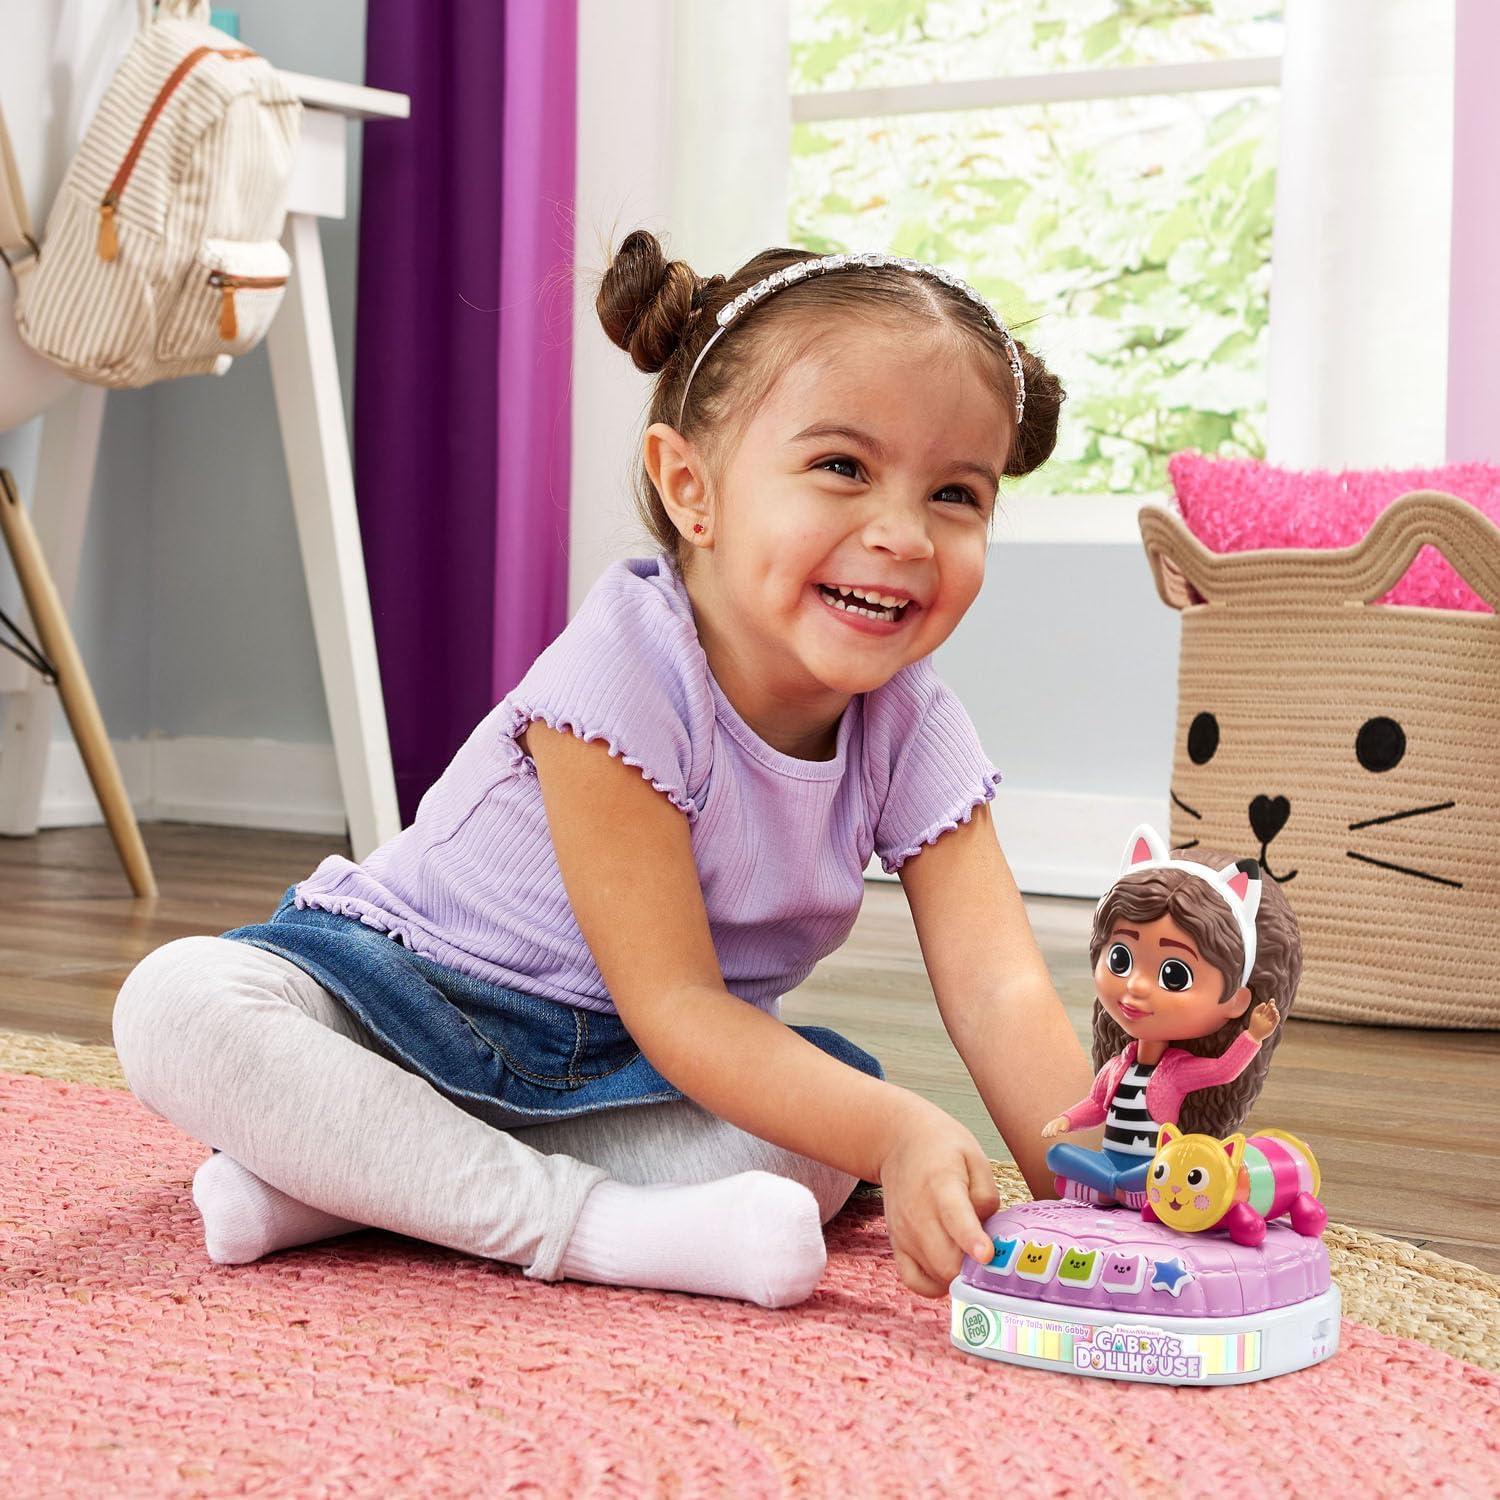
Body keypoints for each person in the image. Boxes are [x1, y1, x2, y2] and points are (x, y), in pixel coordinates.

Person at [111, 231, 1094, 1309]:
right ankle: (595, 1230)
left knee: (816, 1141)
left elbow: (1000, 990)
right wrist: (900, 1133)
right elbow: (678, 1000)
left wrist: (1108, 1200)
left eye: (956, 494)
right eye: (842, 468)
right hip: (406, 1002)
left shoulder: (912, 719)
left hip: (635, 1072)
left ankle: (352, 1184)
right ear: (691, 487)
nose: (904, 534)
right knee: (179, 1004)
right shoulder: (625, 666)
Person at [1041, 823, 1302, 1209]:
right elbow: (1096, 1105)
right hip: (1111, 1158)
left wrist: (1253, 1036)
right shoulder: (1116, 1066)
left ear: (1236, 1000)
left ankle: (1120, 1189)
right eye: (1120, 959)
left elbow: (1223, 1070)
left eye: (1174, 976)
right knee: (1059, 1156)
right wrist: (1066, 1120)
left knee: (1159, 1171)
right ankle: (1114, 1187)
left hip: (1155, 1166)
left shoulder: (1177, 1072)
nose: (1135, 986)